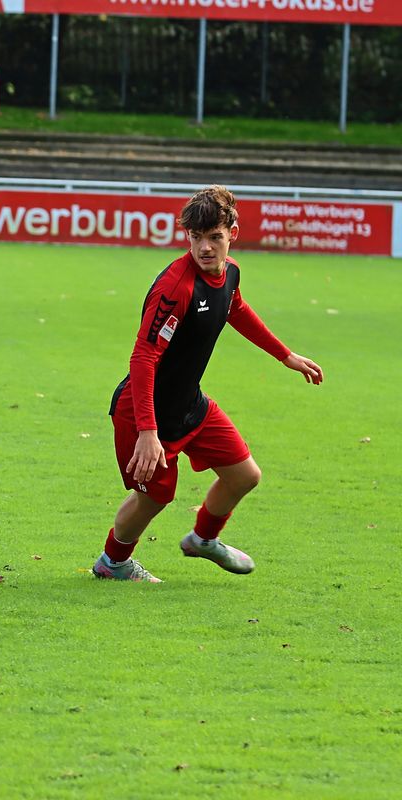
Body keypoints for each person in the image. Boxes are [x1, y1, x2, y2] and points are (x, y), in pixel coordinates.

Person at [92, 185, 324, 583]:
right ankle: (112, 564)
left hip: (189, 406)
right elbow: (144, 357)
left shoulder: (229, 272)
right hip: (144, 410)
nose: (204, 248)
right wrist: (148, 431)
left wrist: (284, 354)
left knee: (244, 475)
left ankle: (202, 539)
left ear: (232, 231)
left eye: (214, 237)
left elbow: (234, 306)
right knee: (156, 496)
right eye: (196, 238)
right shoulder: (175, 289)